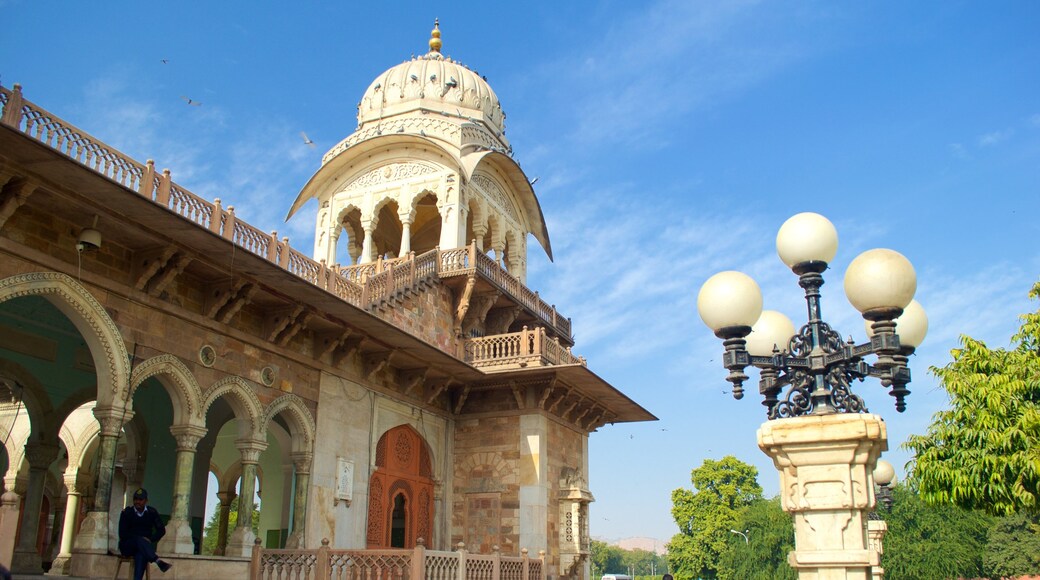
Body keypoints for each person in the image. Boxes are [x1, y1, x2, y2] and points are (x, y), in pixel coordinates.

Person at [118, 488, 172, 578]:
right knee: (139, 540)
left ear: (146, 501)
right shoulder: (127, 513)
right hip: (128, 545)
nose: (137, 502)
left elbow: (161, 530)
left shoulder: (151, 512)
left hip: (143, 548)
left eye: (140, 499)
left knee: (141, 554)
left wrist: (151, 539)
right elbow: (122, 534)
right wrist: (138, 538)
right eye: (135, 499)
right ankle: (157, 560)